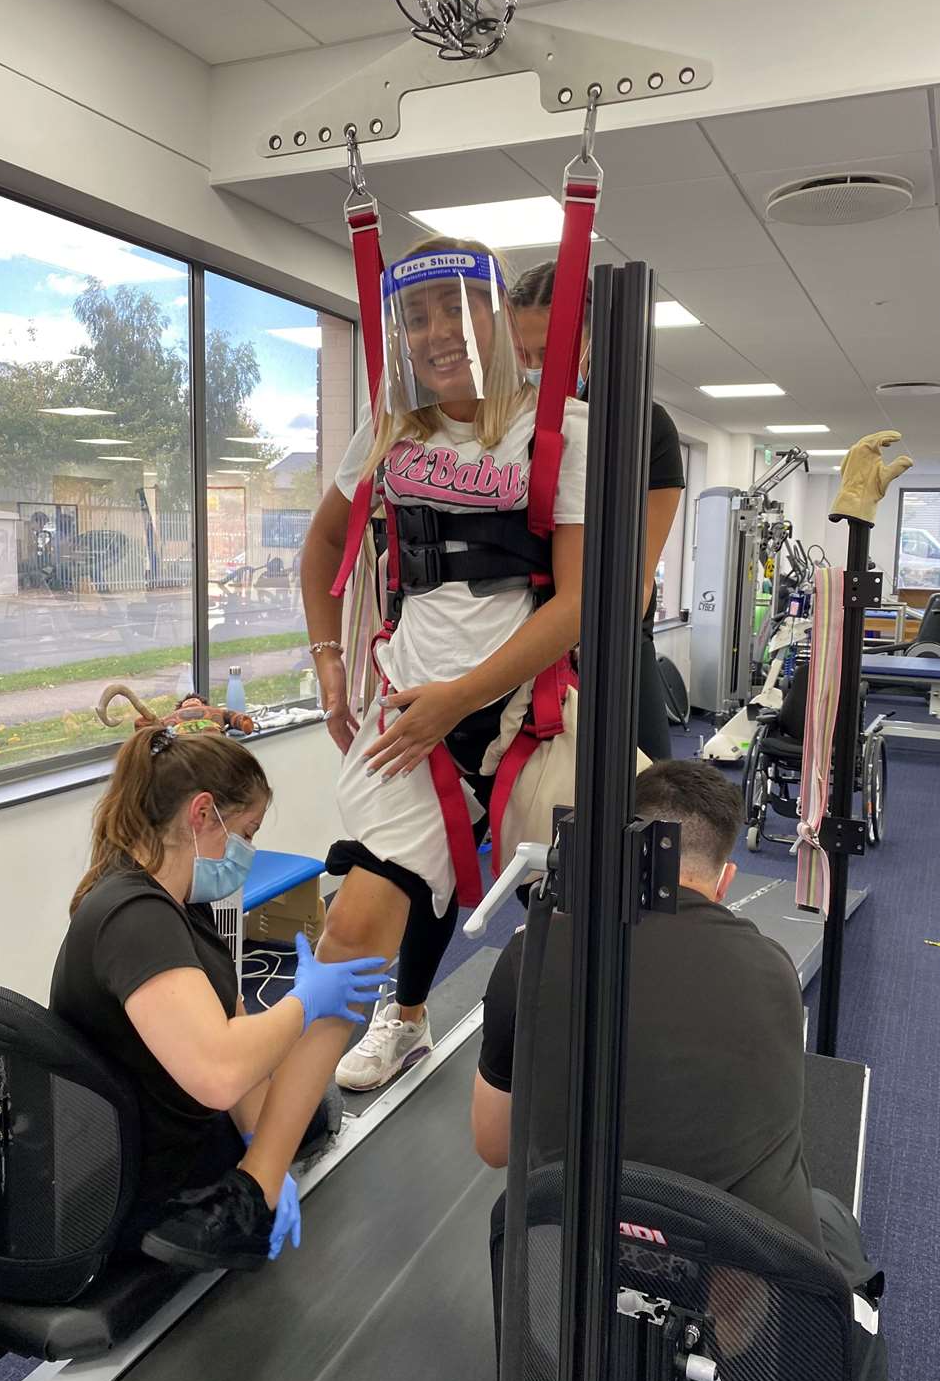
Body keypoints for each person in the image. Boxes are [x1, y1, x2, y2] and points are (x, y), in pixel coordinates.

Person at [145, 233, 585, 1166]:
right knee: (355, 926)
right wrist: (331, 664)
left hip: (514, 717)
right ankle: (270, 1150)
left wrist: (460, 696)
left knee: (575, 905)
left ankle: (557, 1096)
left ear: (497, 317)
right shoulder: (390, 431)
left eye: (454, 310)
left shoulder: (560, 432)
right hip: (405, 723)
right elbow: (321, 550)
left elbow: (581, 602)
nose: (434, 333)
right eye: (415, 316)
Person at [473, 759, 889, 1381]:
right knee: (831, 1219)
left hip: (575, 1293)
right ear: (724, 879)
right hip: (740, 1332)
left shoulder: (529, 952)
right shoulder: (772, 971)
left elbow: (494, 1143)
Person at [50, 726, 388, 1271]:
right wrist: (303, 1003)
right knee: (313, 1112)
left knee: (305, 1121)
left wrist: (264, 1148)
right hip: (145, 1182)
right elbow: (221, 1072)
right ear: (202, 814)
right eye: (247, 832)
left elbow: (233, 1022)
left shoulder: (181, 902)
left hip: (167, 1129)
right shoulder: (135, 919)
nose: (248, 852)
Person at [510, 261, 685, 761]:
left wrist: (580, 644)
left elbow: (639, 578)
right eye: (524, 355)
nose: (535, 367)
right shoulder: (507, 430)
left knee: (650, 793)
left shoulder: (646, 427)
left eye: (550, 353)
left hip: (609, 638)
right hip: (514, 632)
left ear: (589, 342)